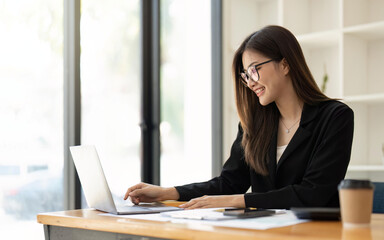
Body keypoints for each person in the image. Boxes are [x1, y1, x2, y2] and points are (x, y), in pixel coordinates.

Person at [124, 25, 354, 210]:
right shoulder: (255, 124)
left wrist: (238, 201)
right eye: (246, 75)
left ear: (285, 64)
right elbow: (229, 183)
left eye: (255, 69)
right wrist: (167, 192)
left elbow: (313, 193)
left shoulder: (335, 117)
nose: (250, 82)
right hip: (264, 233)